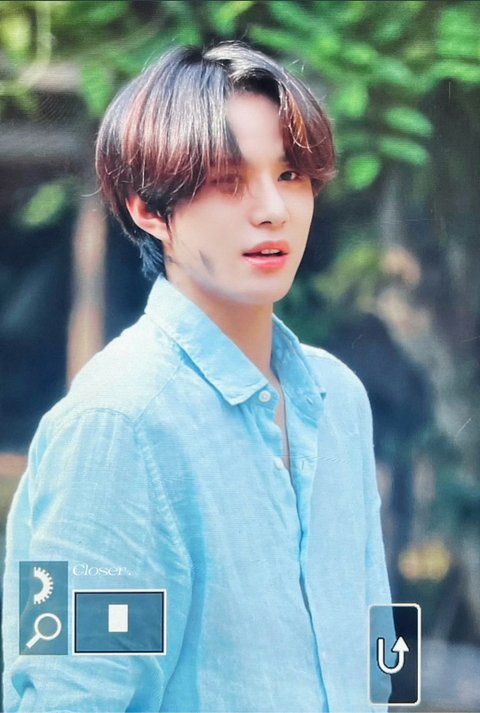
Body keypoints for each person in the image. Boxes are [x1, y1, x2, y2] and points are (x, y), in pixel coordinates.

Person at [3, 41, 393, 712]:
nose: (272, 209)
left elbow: (380, 652)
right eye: (229, 180)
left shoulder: (339, 399)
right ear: (147, 208)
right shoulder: (120, 423)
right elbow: (74, 697)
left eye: (290, 174)